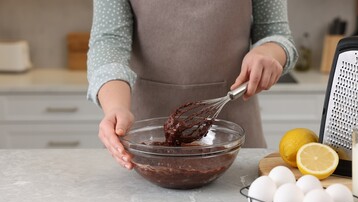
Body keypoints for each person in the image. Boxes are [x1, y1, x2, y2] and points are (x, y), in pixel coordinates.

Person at [87, 0, 298, 170]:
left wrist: (268, 52)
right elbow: (109, 41)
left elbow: (276, 34)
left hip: (235, 138)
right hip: (144, 141)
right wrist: (115, 107)